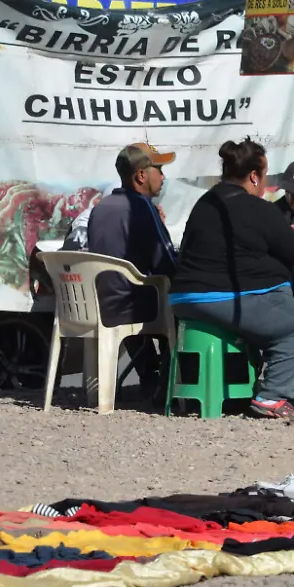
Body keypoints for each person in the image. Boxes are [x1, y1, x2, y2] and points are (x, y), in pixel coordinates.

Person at [169, 138, 294, 419]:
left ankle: (241, 385)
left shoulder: (205, 202)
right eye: (263, 176)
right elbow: (293, 249)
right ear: (253, 176)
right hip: (222, 298)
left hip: (184, 298)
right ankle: (272, 397)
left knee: (278, 305)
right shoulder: (258, 208)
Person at [86, 143, 179, 404]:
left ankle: (149, 375)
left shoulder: (100, 207)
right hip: (132, 307)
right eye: (158, 169)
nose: (162, 176)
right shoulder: (142, 207)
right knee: (186, 302)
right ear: (141, 175)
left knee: (136, 289)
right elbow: (166, 265)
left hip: (101, 304)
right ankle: (169, 385)